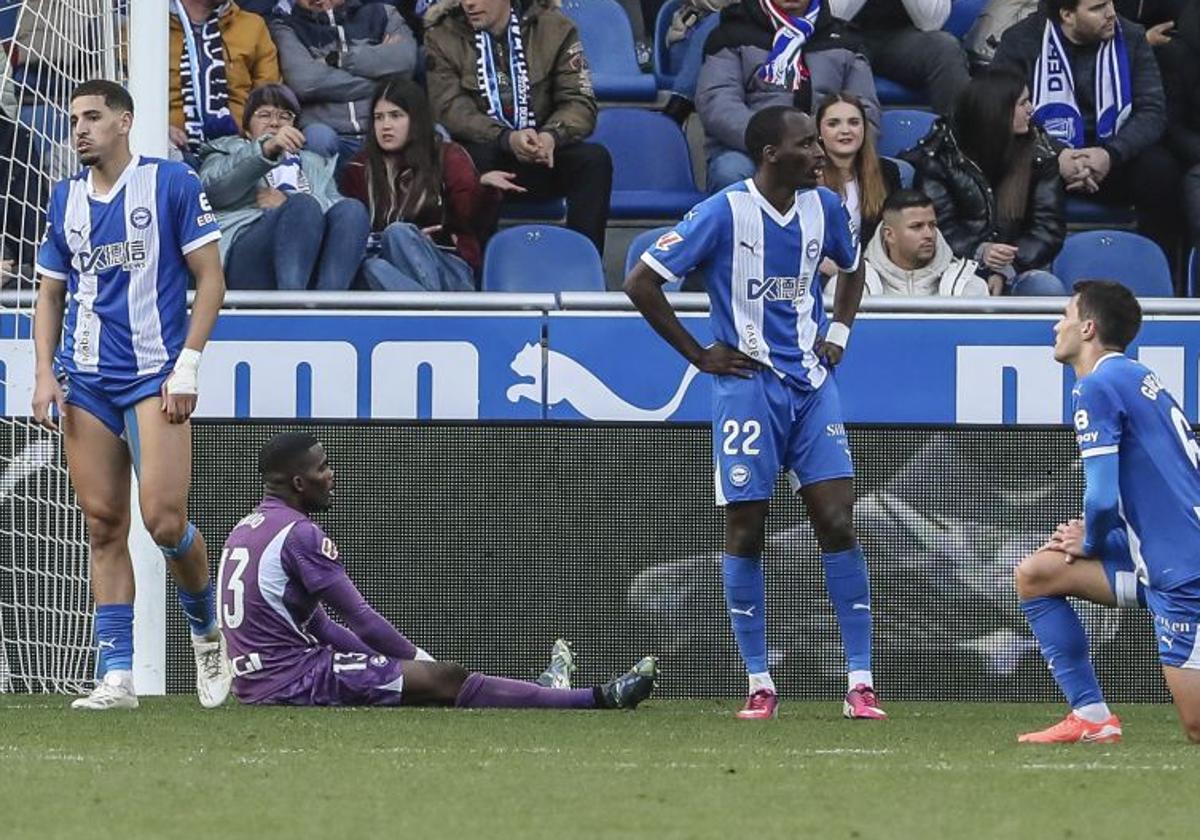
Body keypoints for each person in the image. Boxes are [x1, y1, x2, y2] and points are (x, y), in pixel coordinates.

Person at [624, 106, 885, 722]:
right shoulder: (723, 212)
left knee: (838, 520)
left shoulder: (823, 208)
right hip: (747, 387)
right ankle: (760, 680)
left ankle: (860, 681)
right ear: (771, 154)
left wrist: (840, 332)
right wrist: (698, 353)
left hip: (812, 385)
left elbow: (852, 268)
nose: (820, 154)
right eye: (806, 145)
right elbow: (640, 281)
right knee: (747, 528)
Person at [31, 80, 232, 710]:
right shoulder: (64, 200)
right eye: (73, 120)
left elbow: (211, 279)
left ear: (125, 122)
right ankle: (116, 675)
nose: (80, 129)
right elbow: (50, 293)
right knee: (102, 525)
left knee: (164, 519)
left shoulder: (170, 184)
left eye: (92, 117)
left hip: (155, 374)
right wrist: (43, 373)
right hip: (86, 378)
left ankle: (205, 630)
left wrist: (189, 365)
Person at [218, 432, 660, 709]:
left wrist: (395, 664)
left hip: (261, 681)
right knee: (445, 679)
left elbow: (321, 627)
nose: (331, 475)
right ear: (299, 483)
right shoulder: (301, 535)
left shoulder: (246, 528)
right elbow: (361, 620)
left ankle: (549, 689)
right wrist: (421, 662)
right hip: (292, 682)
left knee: (432, 687)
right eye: (323, 468)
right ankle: (599, 699)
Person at [1014, 280, 1200, 744]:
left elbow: (1099, 497)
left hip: (1181, 570)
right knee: (1038, 574)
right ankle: (1092, 716)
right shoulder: (1137, 376)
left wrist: (1093, 540)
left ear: (1088, 327)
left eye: (1065, 314)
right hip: (1161, 552)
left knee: (1197, 727)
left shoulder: (1096, 386)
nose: (1057, 325)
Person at [992, 0, 1183, 265]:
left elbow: (1151, 112)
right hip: (1046, 159)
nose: (1111, 13)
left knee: (1161, 170)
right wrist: (1054, 156)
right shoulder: (1021, 40)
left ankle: (1162, 276)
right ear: (1067, 15)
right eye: (1098, 7)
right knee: (1011, 165)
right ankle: (1016, 270)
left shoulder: (1131, 36)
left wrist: (1110, 154)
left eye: (1111, 3)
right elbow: (1000, 112)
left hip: (1112, 159)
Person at [424, 0, 613, 254]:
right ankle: (473, 269)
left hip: (542, 155)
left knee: (594, 159)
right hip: (485, 156)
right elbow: (450, 109)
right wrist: (505, 138)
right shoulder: (442, 36)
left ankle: (584, 267)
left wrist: (551, 136)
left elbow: (579, 101)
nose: (469, 3)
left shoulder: (556, 29)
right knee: (465, 159)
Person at [339, 76, 522, 291]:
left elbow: (472, 224)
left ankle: (433, 307)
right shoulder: (359, 167)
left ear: (415, 119)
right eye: (378, 118)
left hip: (448, 267)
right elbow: (353, 234)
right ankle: (435, 314)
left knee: (398, 233)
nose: (386, 125)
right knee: (372, 267)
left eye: (396, 116)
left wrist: (483, 189)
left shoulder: (447, 156)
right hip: (392, 272)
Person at [902, 70, 1067, 296]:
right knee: (969, 290)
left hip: (1018, 267)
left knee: (1045, 287)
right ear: (997, 110)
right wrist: (980, 252)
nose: (1031, 109)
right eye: (1023, 103)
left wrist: (1004, 267)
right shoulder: (940, 157)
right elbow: (939, 225)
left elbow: (1048, 228)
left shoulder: (1040, 157)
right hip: (952, 266)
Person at [696, 0, 881, 193]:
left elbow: (865, 107)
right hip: (752, 150)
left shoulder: (846, 39)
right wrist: (776, 141)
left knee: (900, 171)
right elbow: (717, 103)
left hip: (825, 149)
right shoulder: (731, 34)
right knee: (731, 171)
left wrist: (818, 146)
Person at [199, 83, 370, 291]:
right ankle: (292, 304)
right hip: (246, 250)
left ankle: (330, 303)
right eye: (264, 115)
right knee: (302, 205)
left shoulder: (313, 162)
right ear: (246, 128)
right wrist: (265, 149)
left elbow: (336, 206)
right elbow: (212, 192)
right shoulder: (225, 150)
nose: (274, 123)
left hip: (308, 250)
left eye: (284, 116)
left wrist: (287, 203)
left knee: (352, 209)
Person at [270, 0, 420, 164]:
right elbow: (307, 83)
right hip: (331, 133)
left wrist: (339, 60)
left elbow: (405, 62)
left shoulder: (384, 14)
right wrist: (382, 75)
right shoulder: (286, 27)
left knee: (434, 133)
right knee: (318, 138)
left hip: (384, 126)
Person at [824, 189, 991, 300]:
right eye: (916, 227)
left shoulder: (969, 288)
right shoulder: (847, 289)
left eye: (932, 225)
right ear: (889, 235)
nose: (928, 234)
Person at [170, 0, 282, 155]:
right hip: (170, 149)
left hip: (238, 150)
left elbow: (269, 97)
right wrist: (157, 130)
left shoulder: (252, 26)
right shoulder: (145, 25)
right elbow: (127, 98)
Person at [829, 0, 970, 115]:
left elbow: (932, 22)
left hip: (901, 37)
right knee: (833, 54)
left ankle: (957, 143)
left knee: (944, 48)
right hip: (844, 35)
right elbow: (833, 14)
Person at [816, 91, 899, 248]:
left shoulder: (887, 172)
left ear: (864, 129)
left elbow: (894, 232)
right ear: (819, 132)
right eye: (833, 124)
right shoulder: (805, 177)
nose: (845, 130)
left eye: (854, 122)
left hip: (871, 266)